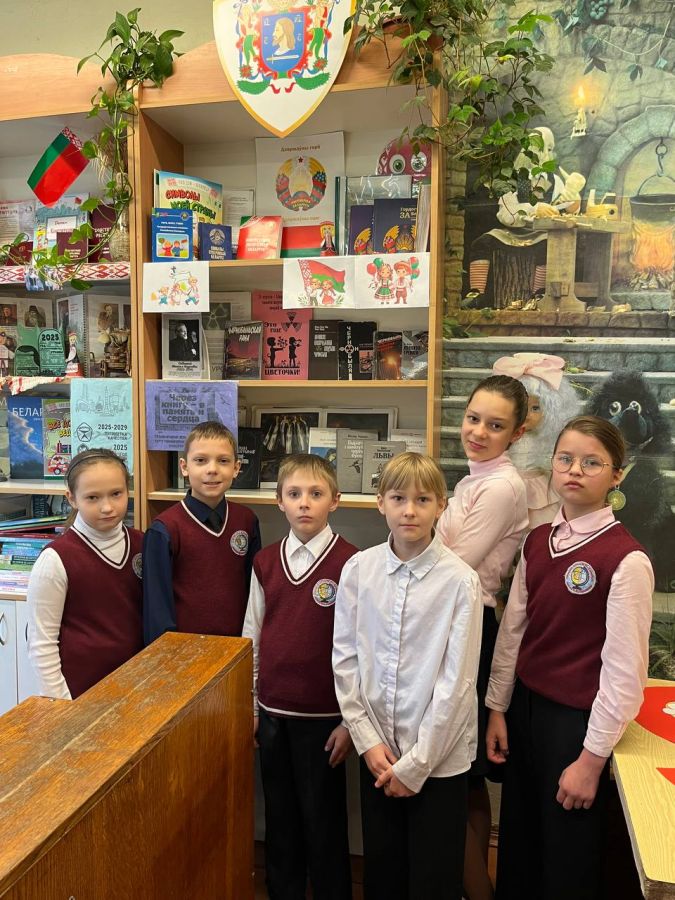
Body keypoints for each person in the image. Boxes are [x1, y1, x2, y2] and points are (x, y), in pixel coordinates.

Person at [486, 415, 654, 900]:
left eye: (592, 462)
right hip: (525, 712)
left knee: (567, 858)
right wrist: (497, 707)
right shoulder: (537, 541)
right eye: (565, 459)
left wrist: (591, 760)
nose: (575, 470)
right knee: (520, 845)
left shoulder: (626, 560)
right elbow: (513, 631)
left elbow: (624, 676)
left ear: (617, 475)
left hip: (577, 726)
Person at [334, 452, 483, 900]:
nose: (410, 511)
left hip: (437, 760)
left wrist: (417, 764)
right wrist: (367, 740)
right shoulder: (359, 569)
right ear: (381, 502)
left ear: (441, 505)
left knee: (433, 879)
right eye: (399, 498)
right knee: (383, 873)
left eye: (423, 500)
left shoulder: (460, 582)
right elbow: (346, 659)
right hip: (379, 753)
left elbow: (457, 685)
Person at [243, 453, 357, 900]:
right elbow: (252, 635)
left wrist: (350, 721)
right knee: (281, 818)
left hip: (326, 719)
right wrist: (252, 704)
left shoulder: (353, 563)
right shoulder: (265, 562)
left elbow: (363, 650)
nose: (304, 503)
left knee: (324, 820)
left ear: (335, 500)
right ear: (279, 502)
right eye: (294, 494)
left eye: (316, 493)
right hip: (273, 712)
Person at [436, 374, 528, 900]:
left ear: (516, 434)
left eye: (495, 426)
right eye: (473, 418)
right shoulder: (475, 480)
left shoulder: (501, 487)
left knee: (456, 775)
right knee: (467, 777)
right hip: (455, 619)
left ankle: (479, 893)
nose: (478, 432)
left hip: (469, 626)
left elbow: (454, 564)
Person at [26, 449, 143, 700]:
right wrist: (61, 705)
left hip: (136, 688)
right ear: (72, 498)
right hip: (81, 695)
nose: (107, 507)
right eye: (92, 497)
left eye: (116, 494)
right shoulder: (55, 560)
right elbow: (42, 643)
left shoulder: (143, 544)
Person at [143, 421, 261, 645]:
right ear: (184, 467)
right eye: (200, 460)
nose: (212, 469)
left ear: (236, 468)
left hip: (236, 646)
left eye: (223, 461)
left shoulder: (246, 521)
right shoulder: (164, 529)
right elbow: (157, 609)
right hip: (184, 652)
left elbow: (253, 593)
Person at [493, 352, 581, 529]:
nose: (527, 415)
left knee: (540, 524)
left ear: (551, 411)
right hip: (505, 486)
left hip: (539, 487)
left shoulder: (546, 439)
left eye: (535, 408)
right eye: (521, 407)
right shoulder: (505, 437)